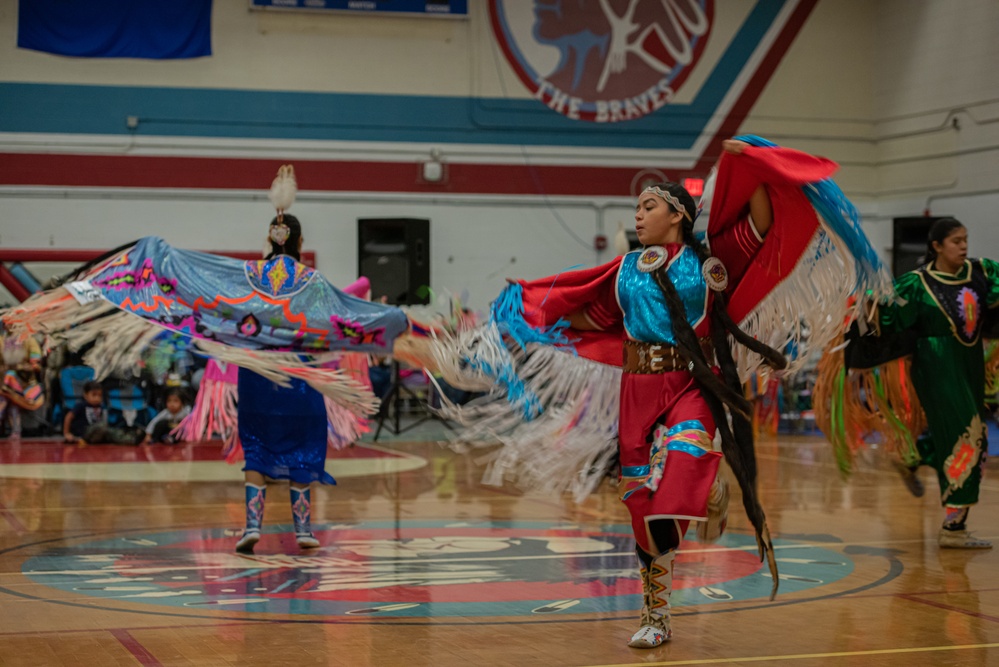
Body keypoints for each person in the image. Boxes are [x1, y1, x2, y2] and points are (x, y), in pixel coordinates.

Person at [434, 136, 892, 648]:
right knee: (645, 508)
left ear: (677, 214)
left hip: (690, 384)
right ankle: (657, 615)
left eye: (648, 206)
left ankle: (707, 482)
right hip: (636, 391)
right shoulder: (627, 268)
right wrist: (537, 324)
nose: (638, 214)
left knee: (686, 456)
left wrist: (749, 159)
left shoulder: (711, 261)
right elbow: (595, 315)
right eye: (637, 207)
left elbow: (761, 222)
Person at [821, 218, 998, 548]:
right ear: (937, 246)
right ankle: (953, 526)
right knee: (969, 434)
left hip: (969, 362)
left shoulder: (981, 272)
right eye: (955, 241)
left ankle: (913, 456)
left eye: (965, 239)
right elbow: (889, 316)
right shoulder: (917, 284)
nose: (963, 246)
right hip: (935, 365)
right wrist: (867, 300)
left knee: (965, 435)